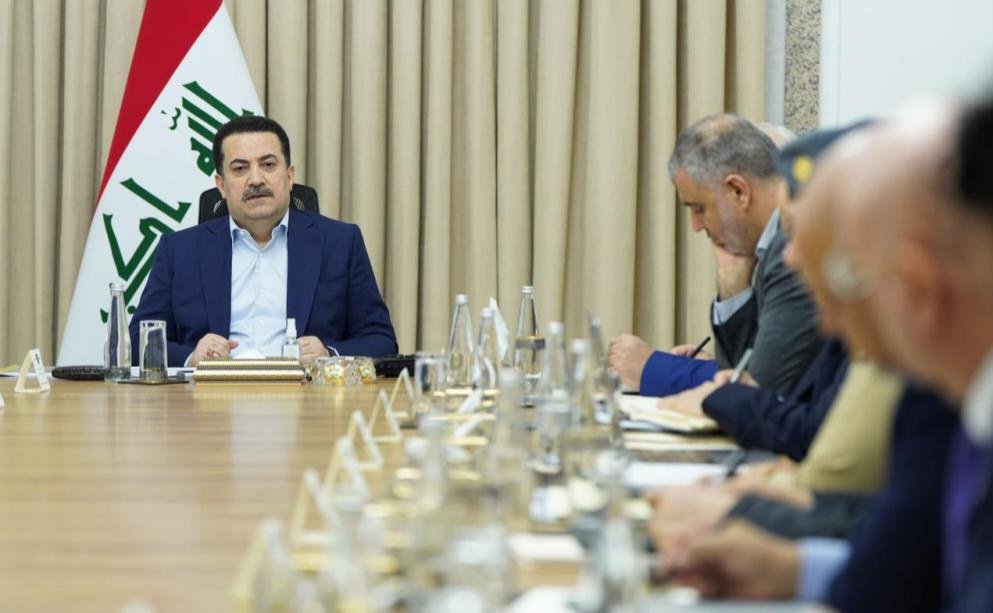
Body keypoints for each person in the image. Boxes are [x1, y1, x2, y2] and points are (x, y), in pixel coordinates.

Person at [666, 104, 968, 613]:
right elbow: (902, 537)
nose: (790, 256)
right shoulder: (935, 383)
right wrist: (786, 530)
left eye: (802, 232)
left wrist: (744, 513)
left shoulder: (931, 376)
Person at [129, 115, 398, 366]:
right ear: (221, 185)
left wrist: (329, 354)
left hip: (306, 394)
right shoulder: (180, 250)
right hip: (212, 394)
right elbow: (138, 341)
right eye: (240, 168)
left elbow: (381, 340)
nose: (256, 179)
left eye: (268, 165)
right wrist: (192, 357)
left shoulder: (340, 243)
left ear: (289, 176)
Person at [609, 115, 822, 397]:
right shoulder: (770, 247)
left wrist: (690, 394)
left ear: (738, 191)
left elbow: (757, 394)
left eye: (699, 209)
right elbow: (743, 374)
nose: (696, 226)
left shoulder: (791, 249)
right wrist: (734, 289)